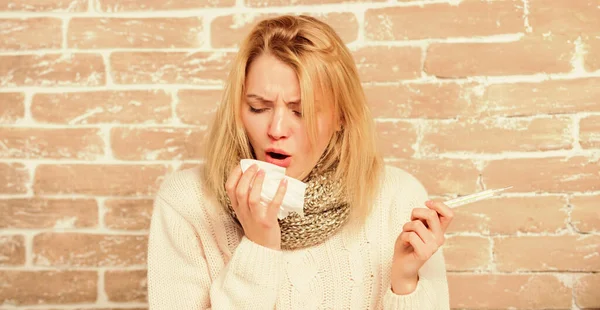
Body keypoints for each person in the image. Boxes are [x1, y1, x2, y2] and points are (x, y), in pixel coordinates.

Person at [147, 14, 454, 309]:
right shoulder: (186, 201)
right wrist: (259, 248)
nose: (276, 130)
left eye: (302, 110)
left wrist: (404, 285)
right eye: (257, 108)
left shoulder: (398, 198)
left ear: (341, 117)